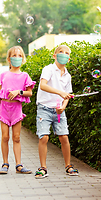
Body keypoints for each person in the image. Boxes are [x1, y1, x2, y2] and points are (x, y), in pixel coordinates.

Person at [35, 45, 78, 178]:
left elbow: (68, 95)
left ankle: (68, 166)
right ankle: (43, 168)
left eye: (66, 53)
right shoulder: (48, 69)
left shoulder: (67, 76)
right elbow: (43, 85)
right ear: (54, 56)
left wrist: (63, 106)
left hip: (59, 111)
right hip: (44, 109)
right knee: (44, 137)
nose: (63, 55)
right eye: (61, 52)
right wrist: (60, 92)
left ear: (69, 59)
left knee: (64, 137)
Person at [0, 46, 36, 175]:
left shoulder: (24, 76)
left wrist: (19, 91)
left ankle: (19, 165)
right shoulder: (3, 75)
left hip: (17, 108)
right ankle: (5, 164)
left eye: (19, 55)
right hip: (4, 108)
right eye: (14, 55)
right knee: (5, 137)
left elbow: (30, 93)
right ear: (8, 59)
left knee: (16, 137)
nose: (17, 58)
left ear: (23, 59)